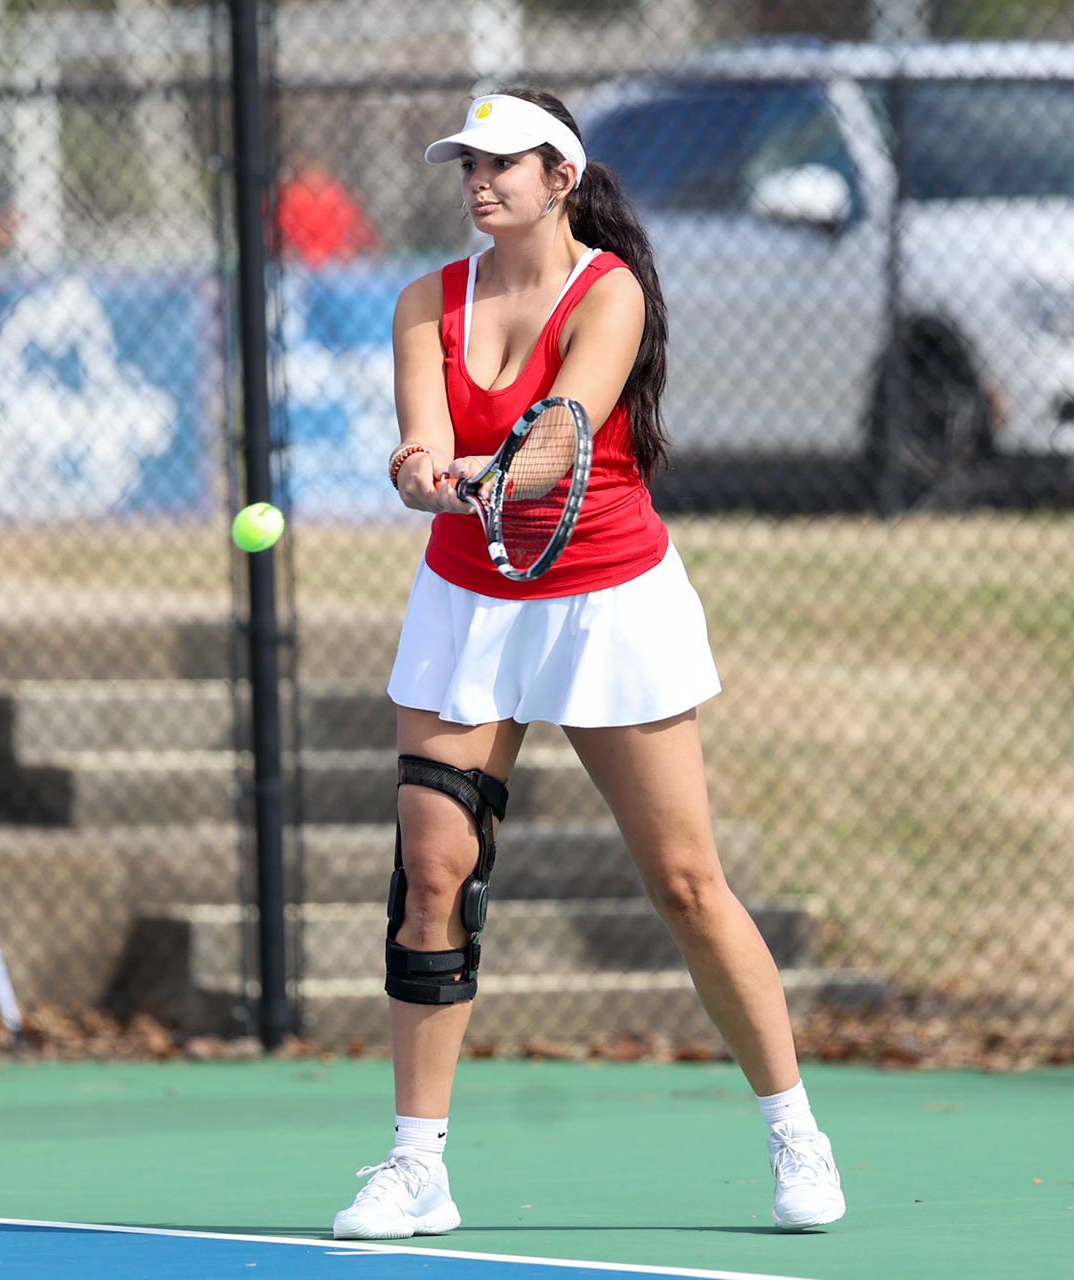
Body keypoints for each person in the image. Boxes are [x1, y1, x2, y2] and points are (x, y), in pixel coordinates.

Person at [331, 89, 846, 1240]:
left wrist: (484, 472)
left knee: (686, 883)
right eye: (468, 162)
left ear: (562, 177)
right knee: (432, 875)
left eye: (504, 162)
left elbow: (561, 434)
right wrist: (422, 473)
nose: (480, 180)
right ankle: (417, 1163)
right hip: (466, 599)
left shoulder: (606, 288)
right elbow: (418, 443)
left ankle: (793, 1128)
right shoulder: (427, 299)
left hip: (609, 597)